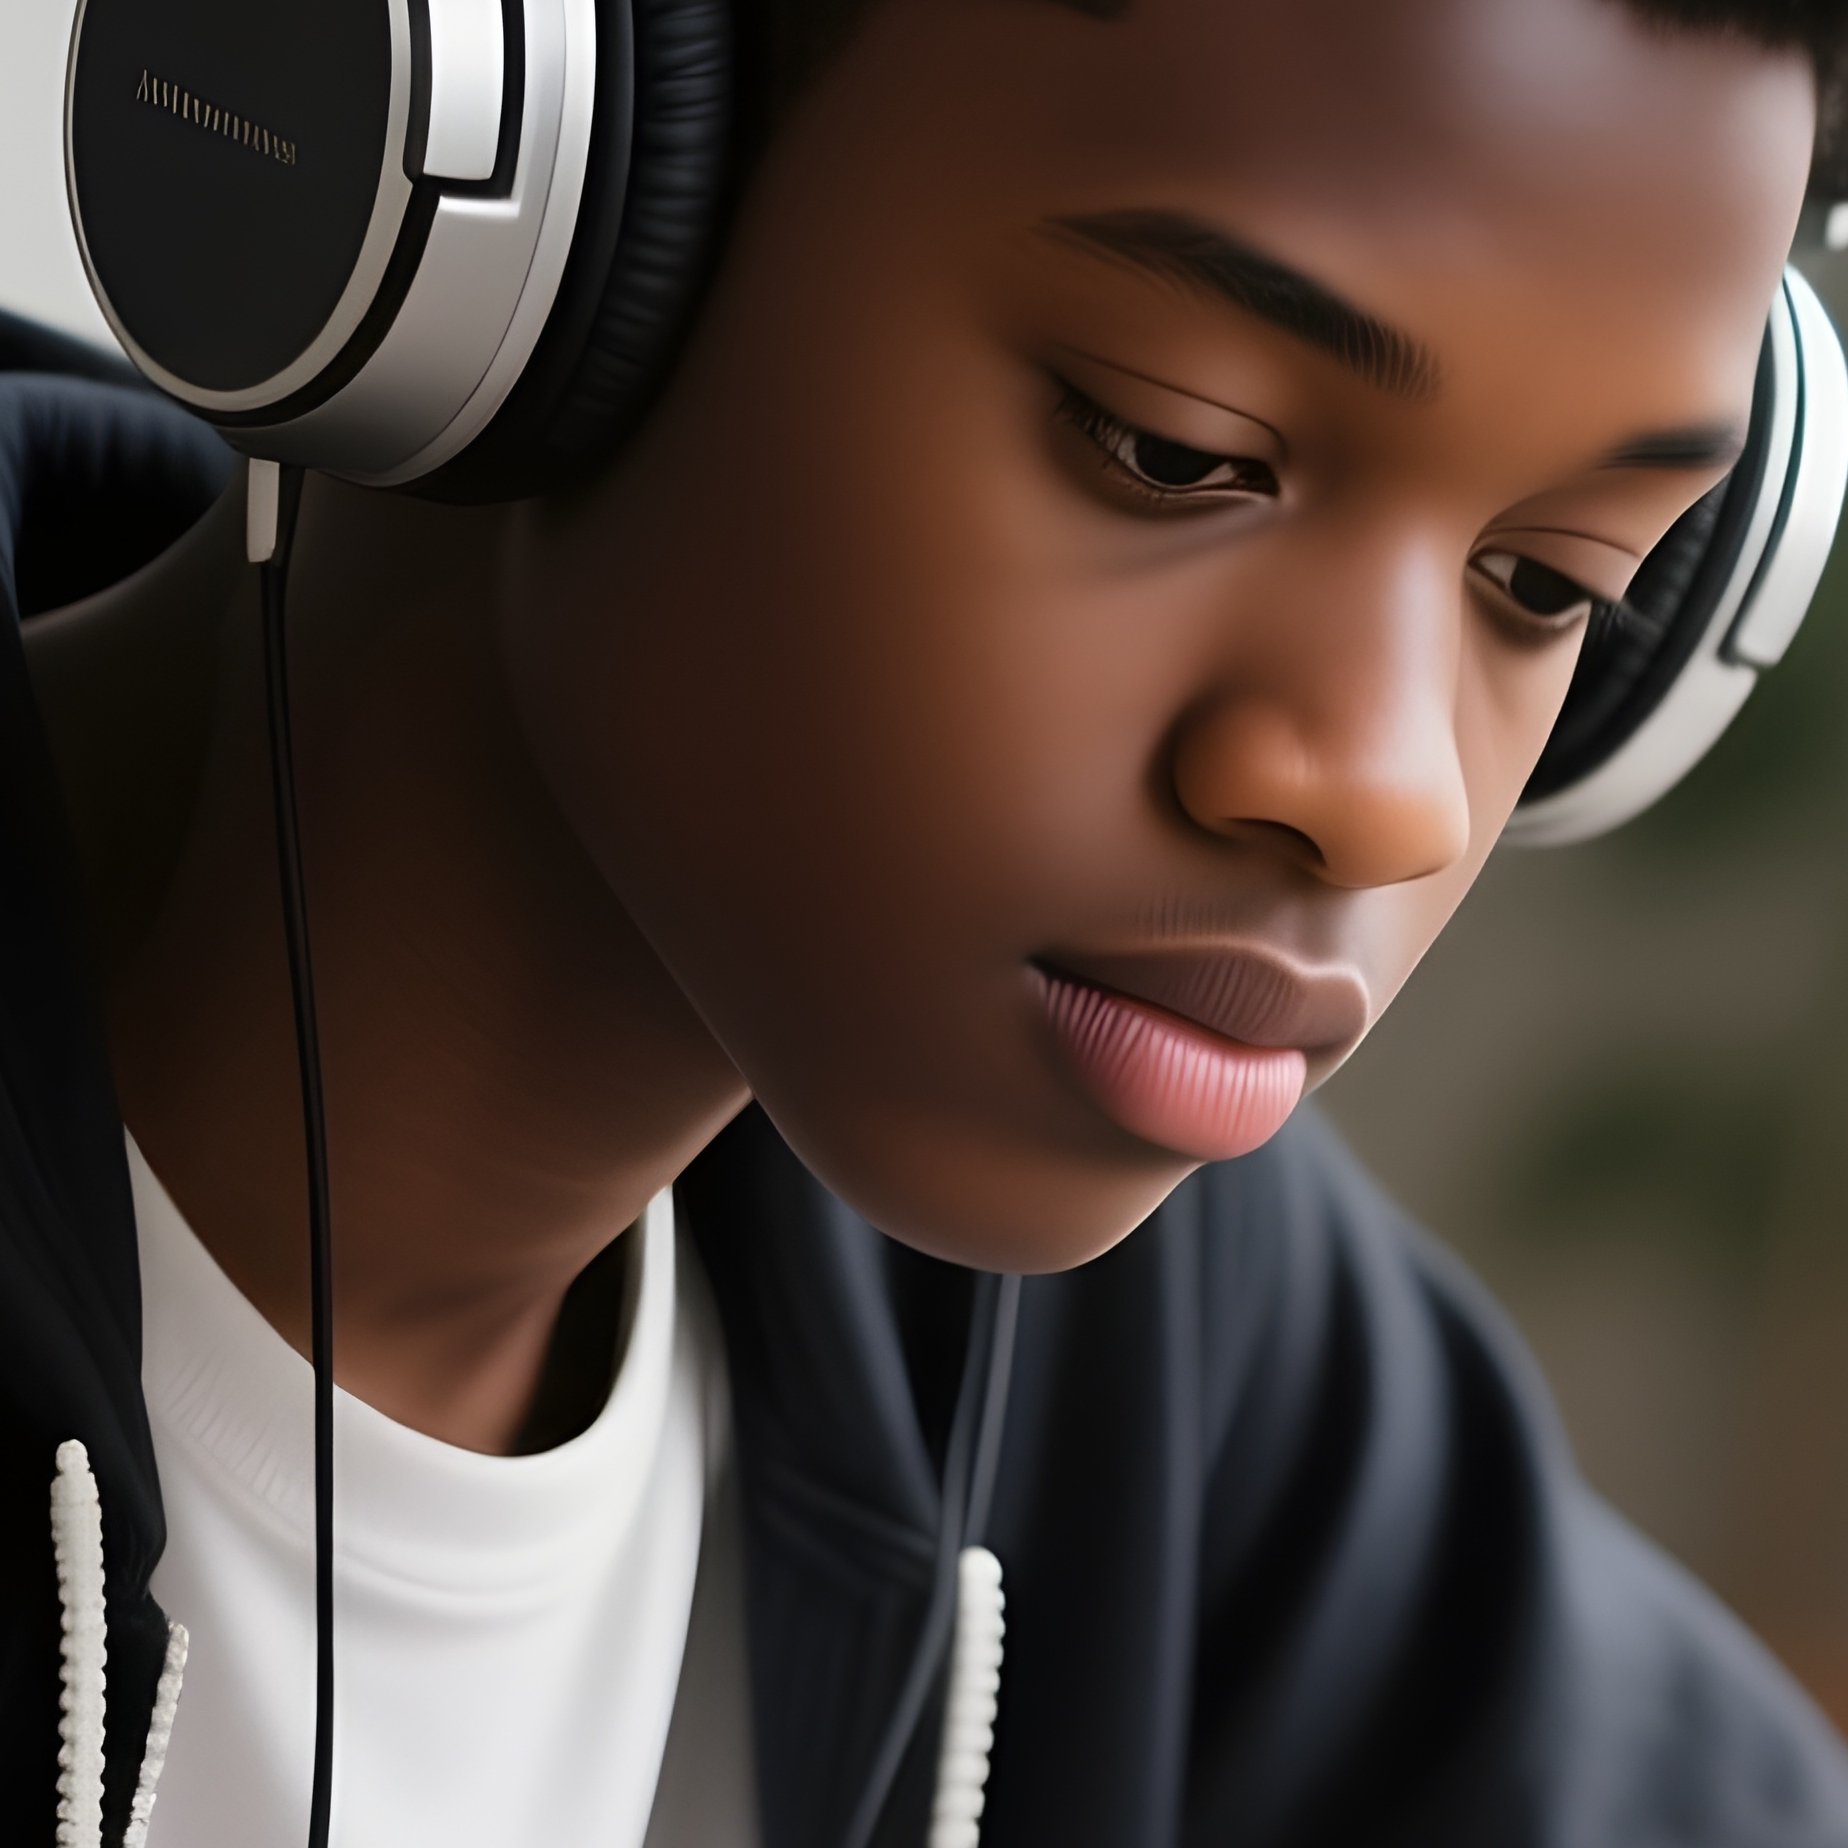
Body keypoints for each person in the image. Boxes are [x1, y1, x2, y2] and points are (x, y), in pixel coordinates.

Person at [4, 0, 1848, 1842]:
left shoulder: (1149, 1362)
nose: (1393, 792)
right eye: (1170, 448)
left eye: (1546, 581)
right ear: (543, 198)